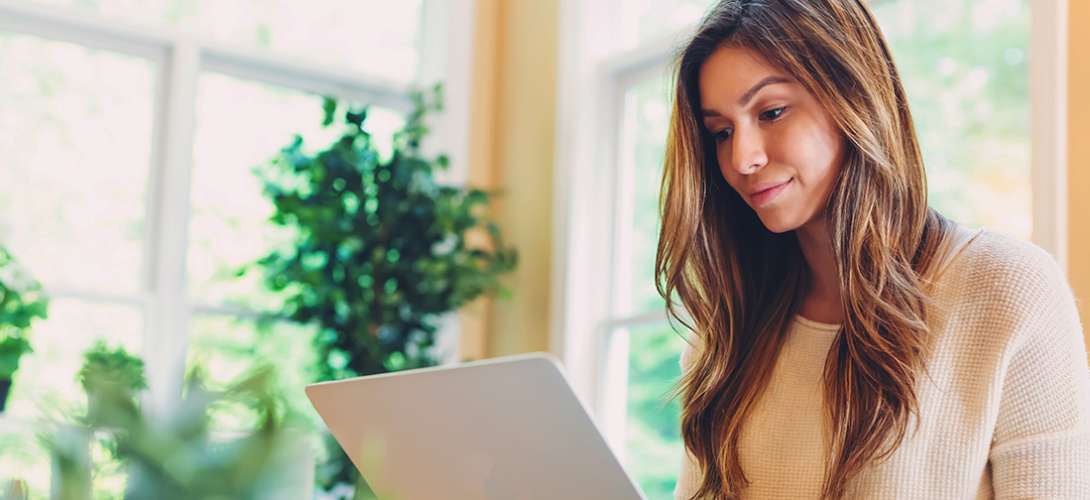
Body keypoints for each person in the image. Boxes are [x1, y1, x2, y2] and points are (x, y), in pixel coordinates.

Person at [654, 1, 1090, 498]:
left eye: (772, 112)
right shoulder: (725, 333)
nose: (743, 158)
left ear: (854, 99)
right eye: (721, 132)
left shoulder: (1008, 289)